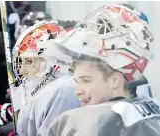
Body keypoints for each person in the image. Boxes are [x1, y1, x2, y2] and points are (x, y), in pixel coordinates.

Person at [47, 4, 160, 136]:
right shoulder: (152, 110)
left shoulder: (77, 124)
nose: (77, 92)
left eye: (86, 81)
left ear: (115, 80)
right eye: (77, 81)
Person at [12, 20, 81, 136]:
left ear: (52, 62)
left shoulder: (61, 92)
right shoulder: (46, 90)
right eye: (21, 62)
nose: (22, 70)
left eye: (29, 61)